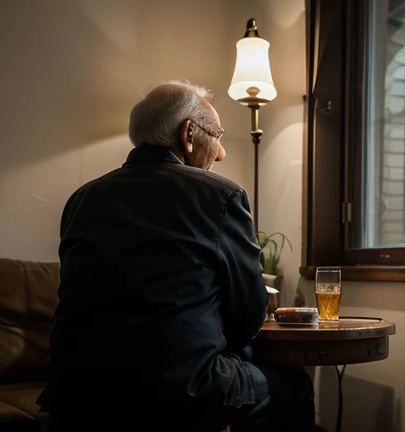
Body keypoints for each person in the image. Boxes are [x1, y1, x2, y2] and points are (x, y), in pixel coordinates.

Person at [36, 80, 315, 431]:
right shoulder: (221, 195)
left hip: (75, 391)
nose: (222, 153)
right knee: (295, 387)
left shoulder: (81, 199)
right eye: (218, 135)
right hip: (175, 390)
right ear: (189, 134)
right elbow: (247, 317)